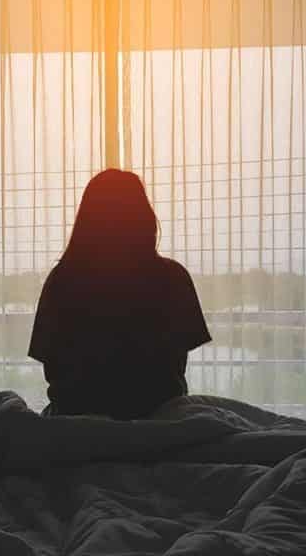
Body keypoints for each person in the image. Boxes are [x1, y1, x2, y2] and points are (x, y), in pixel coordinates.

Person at [28, 168, 211, 420]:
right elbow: (177, 361)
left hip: (75, 420)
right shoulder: (173, 278)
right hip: (158, 419)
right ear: (144, 216)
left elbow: (52, 365)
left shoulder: (62, 280)